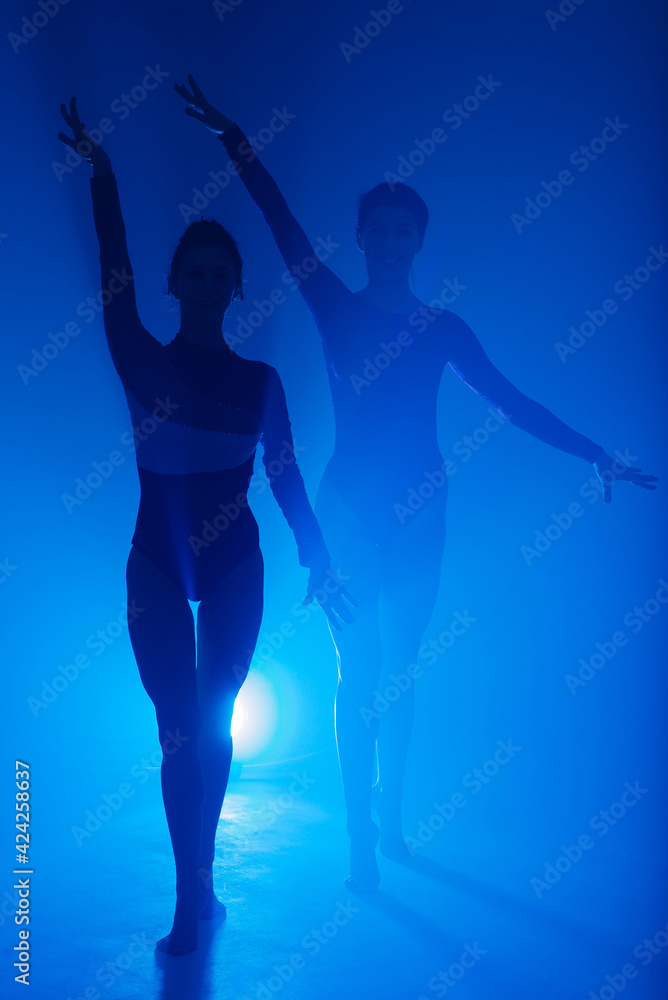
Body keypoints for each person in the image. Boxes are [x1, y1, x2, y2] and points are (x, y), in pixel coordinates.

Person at [175, 76, 659, 893]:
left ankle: (390, 817)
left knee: (399, 670)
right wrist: (234, 138)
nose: (391, 238)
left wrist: (594, 454)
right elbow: (280, 222)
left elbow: (512, 401)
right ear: (363, 238)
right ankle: (362, 839)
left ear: (417, 241)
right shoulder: (333, 302)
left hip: (422, 510)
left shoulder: (443, 328)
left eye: (404, 229)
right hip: (352, 512)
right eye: (380, 227)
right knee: (356, 673)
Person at [57, 96, 355, 955]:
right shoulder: (139, 356)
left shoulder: (260, 382)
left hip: (235, 566)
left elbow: (288, 475)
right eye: (195, 270)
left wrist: (319, 555)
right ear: (175, 282)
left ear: (235, 287)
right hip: (155, 563)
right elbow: (110, 271)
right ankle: (194, 892)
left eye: (222, 273)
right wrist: (102, 171)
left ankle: (198, 886)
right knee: (176, 728)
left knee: (214, 722)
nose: (208, 283)